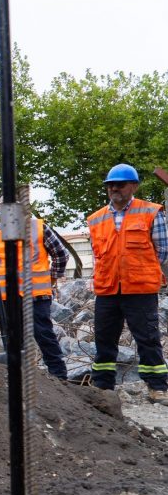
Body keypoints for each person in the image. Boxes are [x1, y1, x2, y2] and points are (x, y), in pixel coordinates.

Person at [88, 164, 168, 405]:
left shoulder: (151, 212)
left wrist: (142, 271)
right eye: (110, 185)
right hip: (108, 290)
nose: (114, 189)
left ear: (133, 186)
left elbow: (163, 251)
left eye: (120, 184)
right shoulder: (96, 219)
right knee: (104, 339)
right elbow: (97, 256)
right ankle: (103, 386)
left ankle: (157, 387)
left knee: (147, 338)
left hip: (140, 289)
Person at [0, 204, 69, 381]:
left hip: (36, 295)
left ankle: (60, 377)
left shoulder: (38, 228)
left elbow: (61, 255)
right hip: (8, 298)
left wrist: (52, 279)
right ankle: (20, 378)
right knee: (13, 339)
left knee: (43, 335)